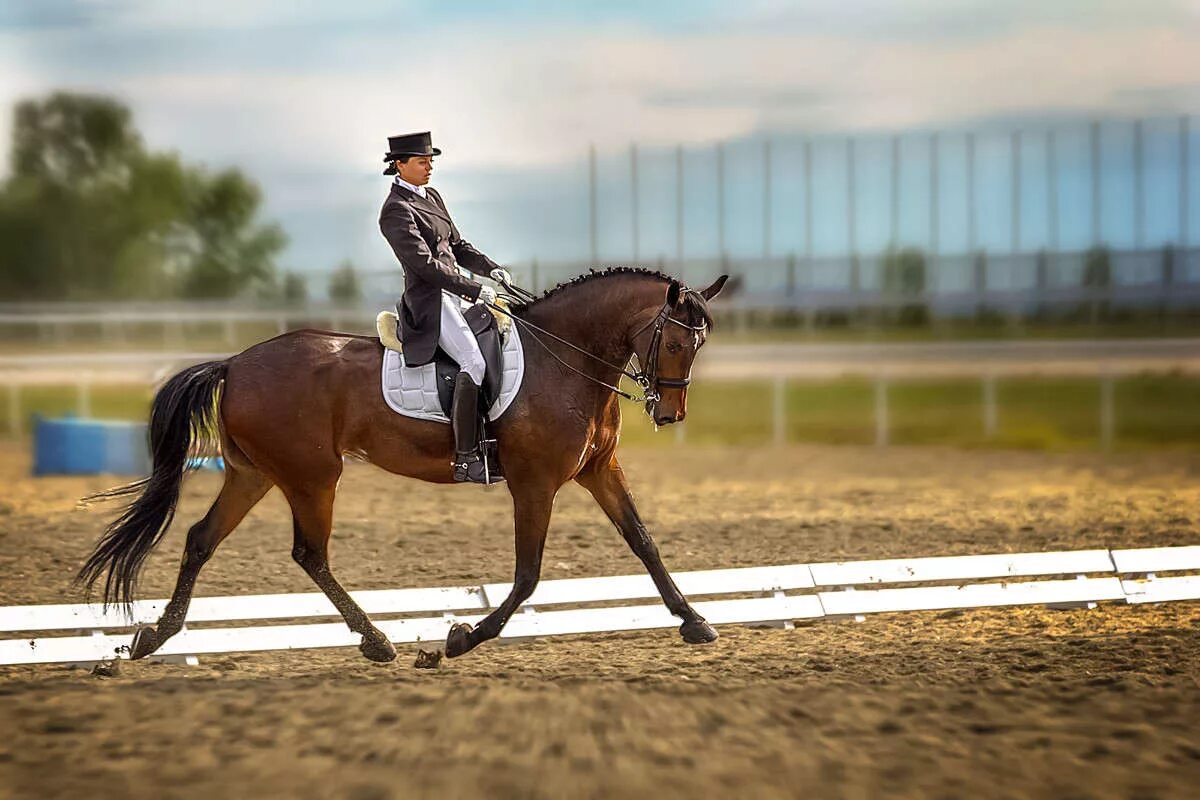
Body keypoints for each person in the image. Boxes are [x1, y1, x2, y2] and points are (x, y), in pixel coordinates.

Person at [378, 131, 511, 484]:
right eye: (422, 161)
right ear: (399, 165)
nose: (429, 167)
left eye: (431, 161)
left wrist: (490, 268)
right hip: (430, 301)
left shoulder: (432, 196)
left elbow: (458, 245)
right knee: (473, 361)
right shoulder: (395, 211)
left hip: (454, 294)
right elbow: (424, 265)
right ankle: (466, 458)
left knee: (501, 340)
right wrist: (472, 289)